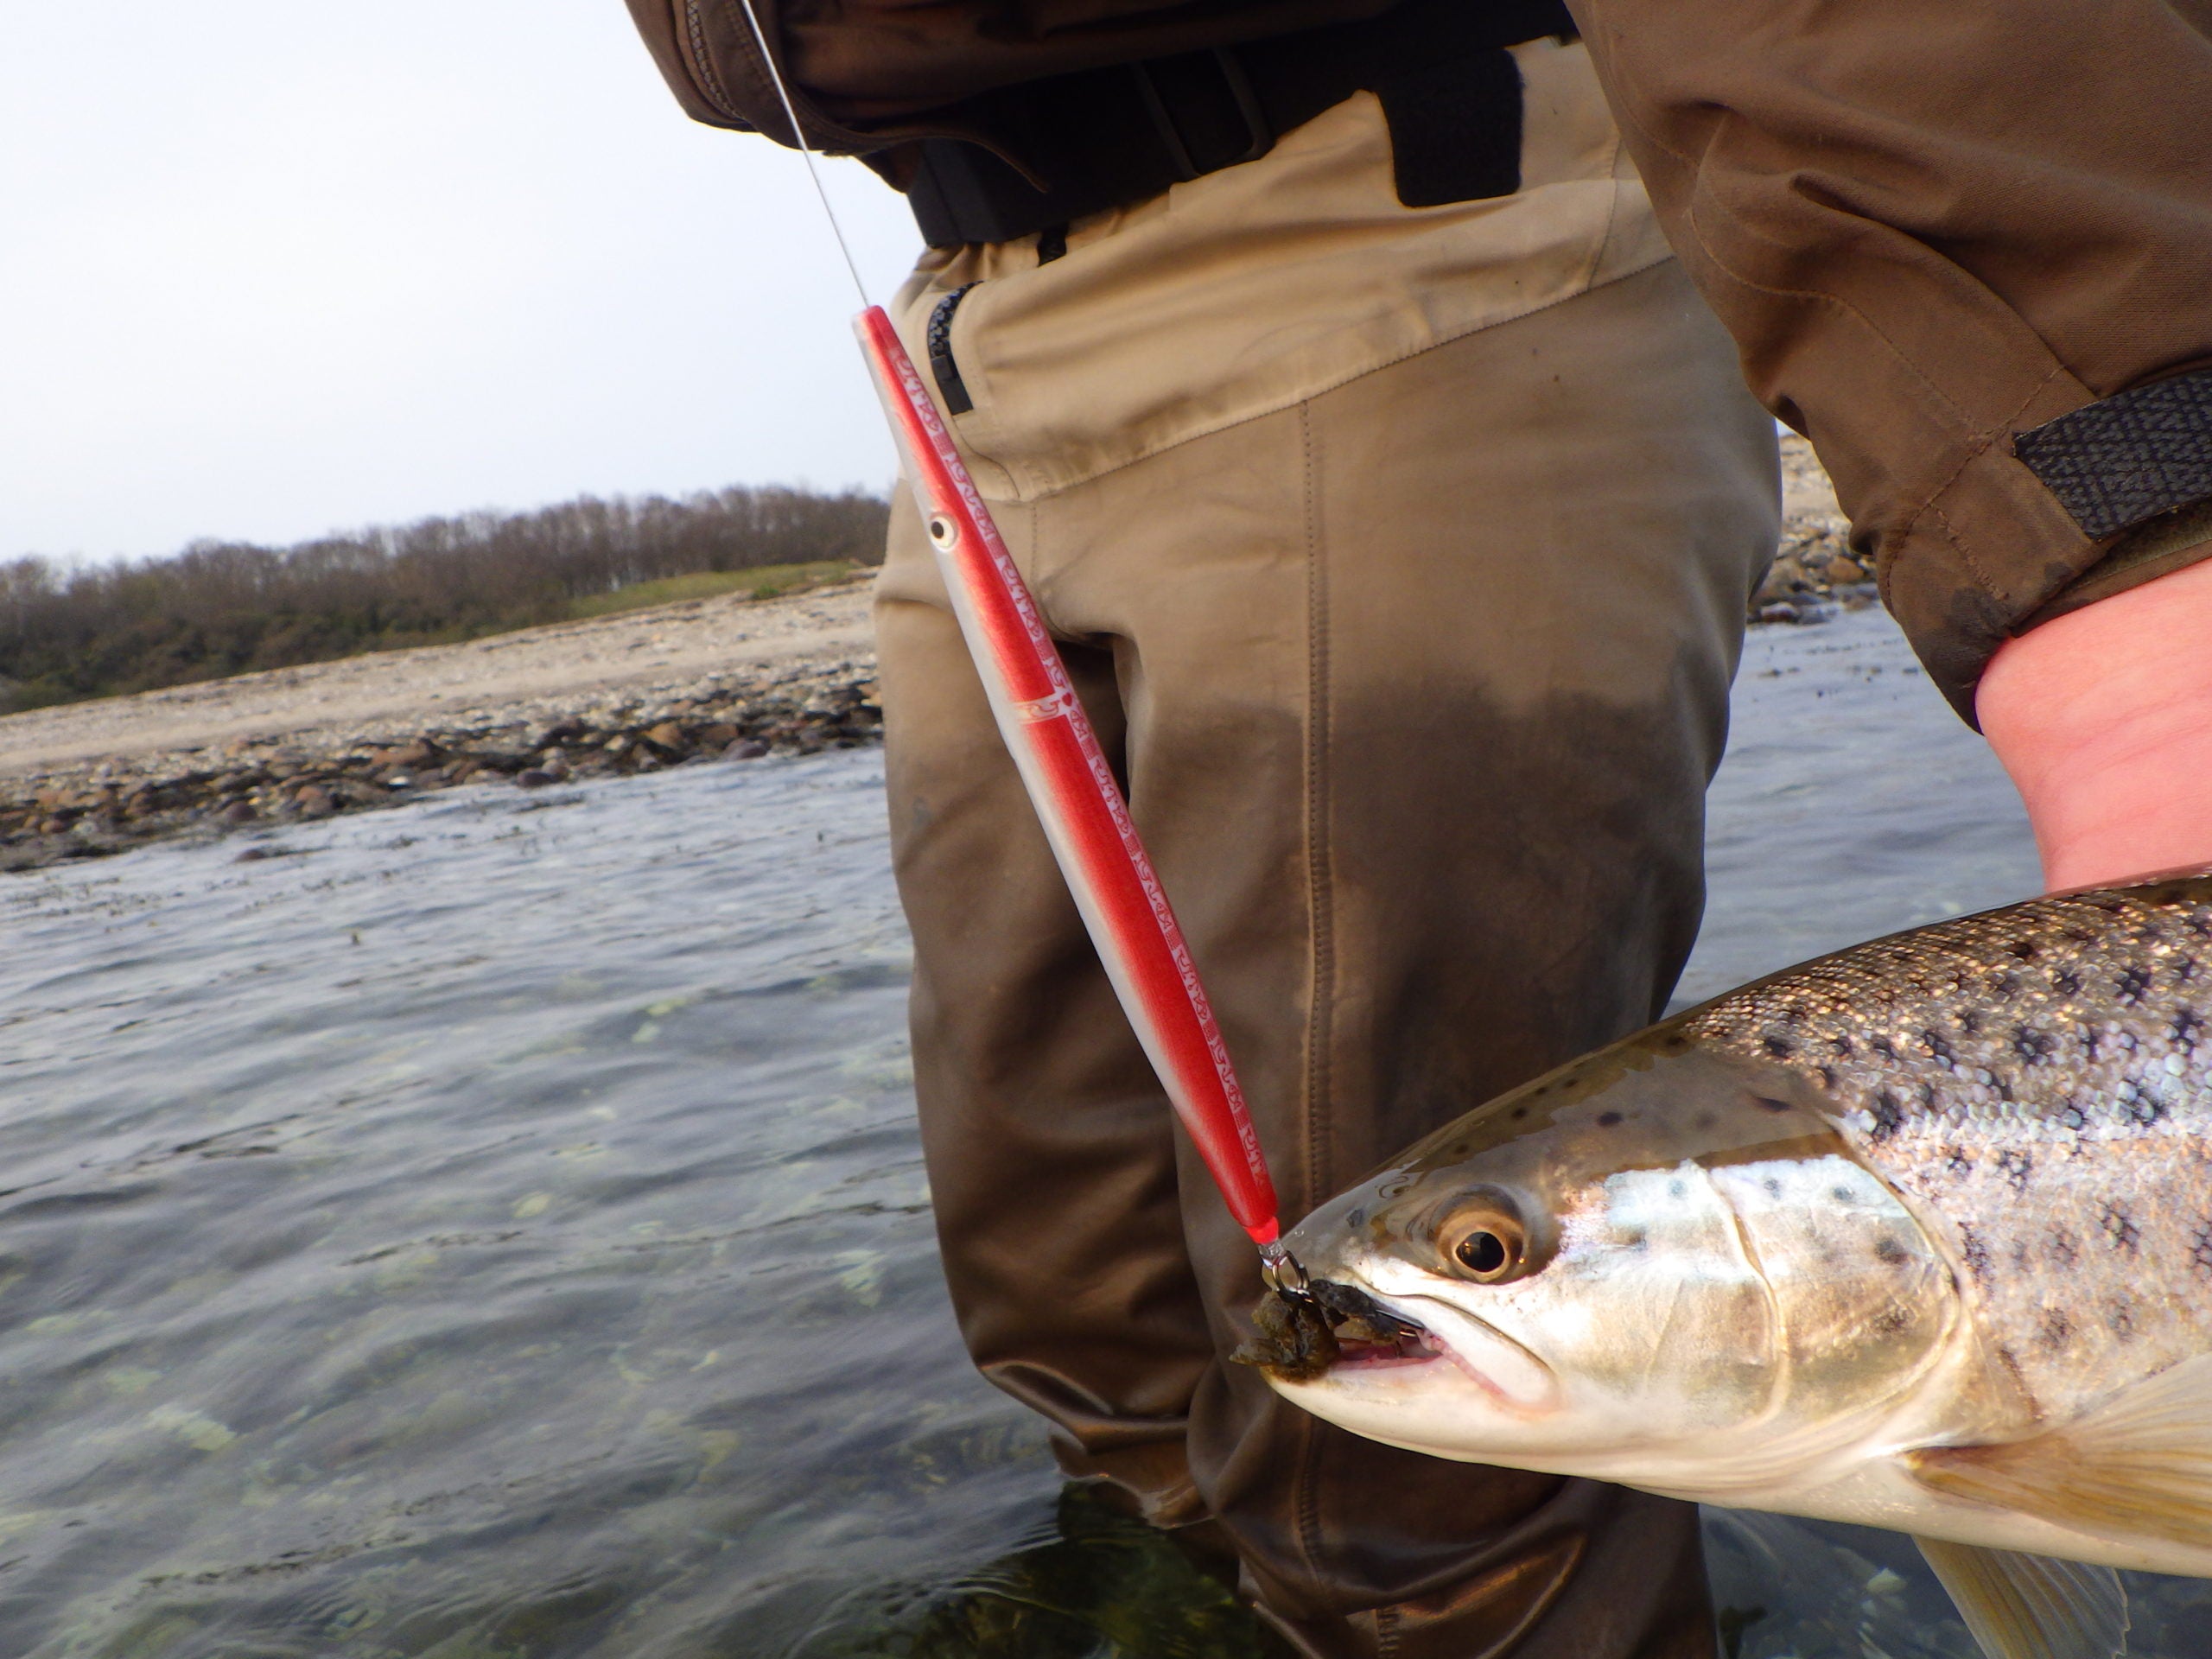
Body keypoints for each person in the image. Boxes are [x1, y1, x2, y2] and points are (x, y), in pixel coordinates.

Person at [618, 0, 2212, 1651]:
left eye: (1487, 1242)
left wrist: (2133, 486)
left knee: (1413, 1496)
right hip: (967, 322)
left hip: (1425, 240)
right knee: (1091, 1319)